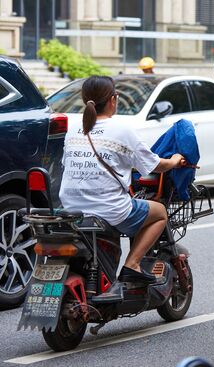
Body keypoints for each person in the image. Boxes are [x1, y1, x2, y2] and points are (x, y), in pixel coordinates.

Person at [59, 76, 185, 292]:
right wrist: (175, 160)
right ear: (113, 100)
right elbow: (155, 165)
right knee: (160, 212)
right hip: (109, 210)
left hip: (71, 208)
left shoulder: (74, 130)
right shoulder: (121, 129)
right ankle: (132, 264)